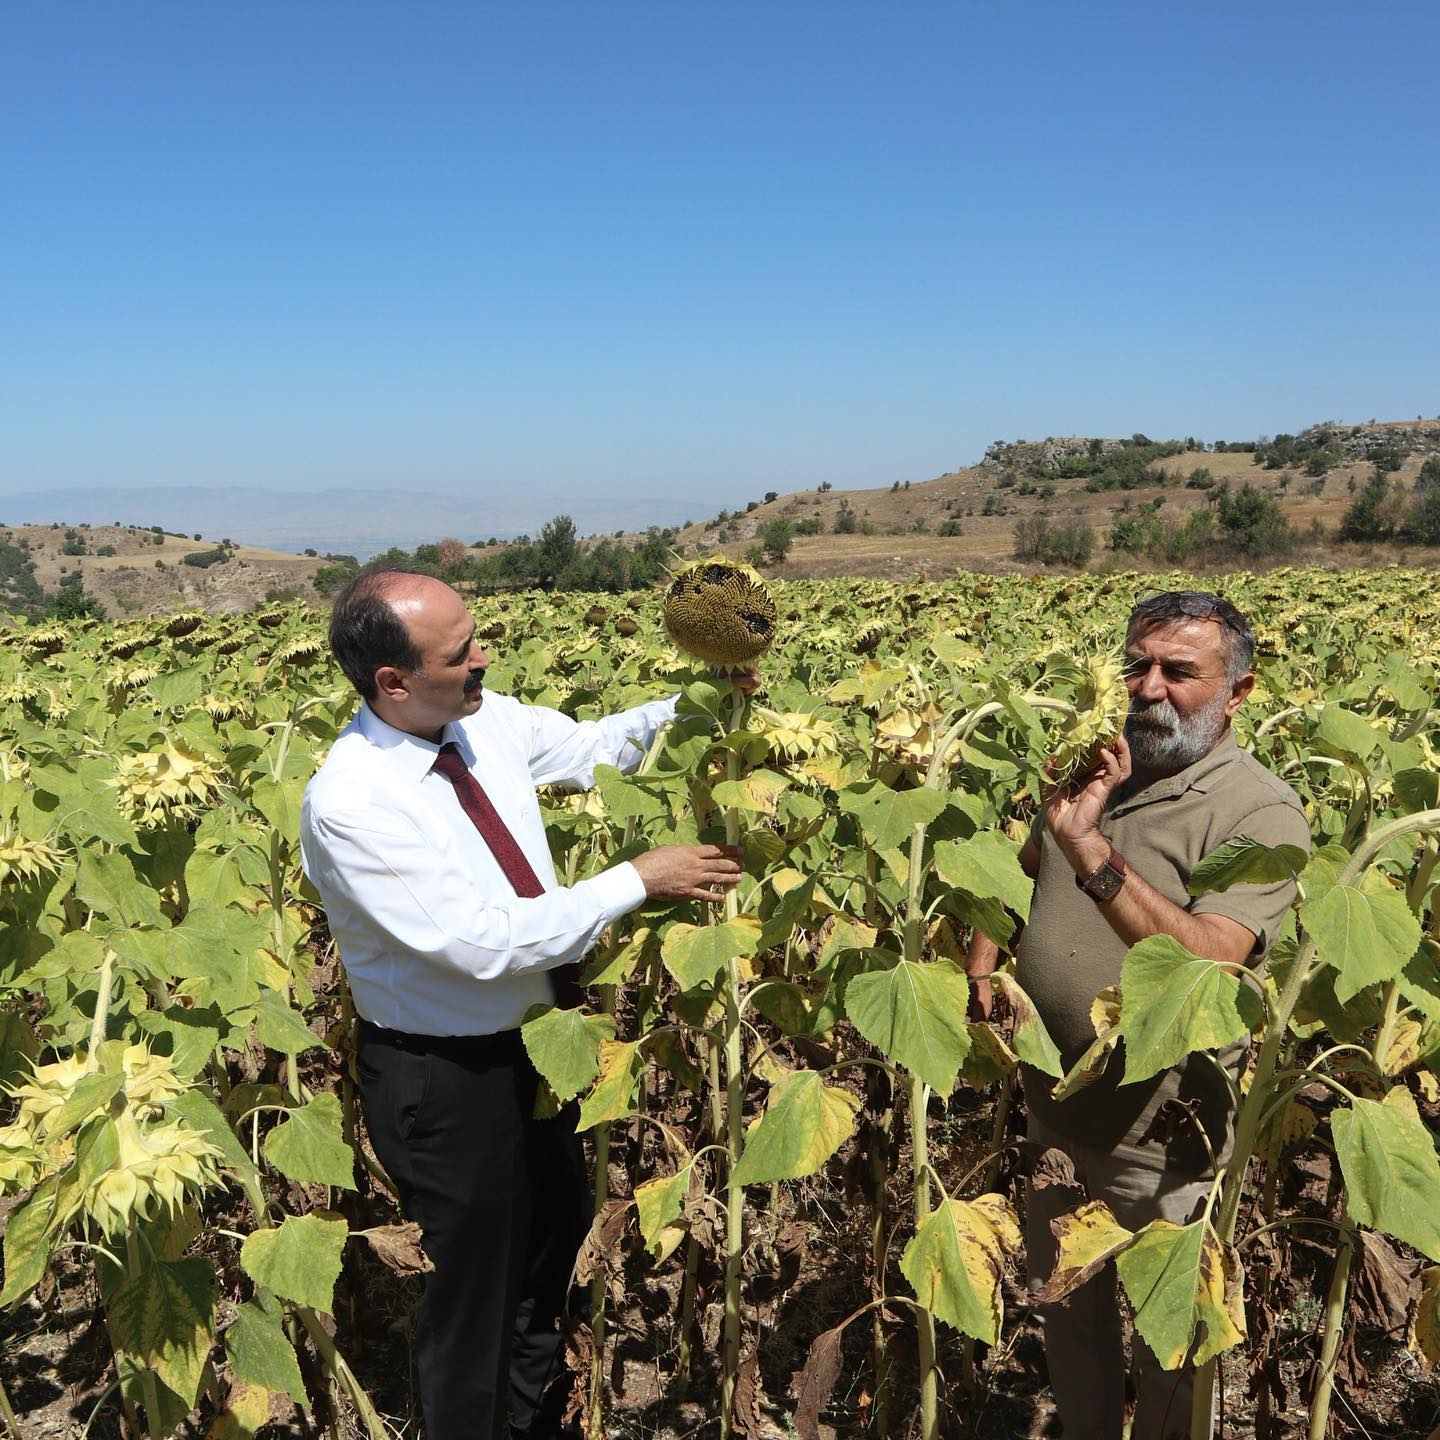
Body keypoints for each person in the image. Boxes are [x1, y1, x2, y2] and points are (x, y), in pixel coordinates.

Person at [300, 568, 753, 1440]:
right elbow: (479, 944)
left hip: (537, 1046)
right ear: (392, 681)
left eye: (476, 637)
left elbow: (592, 748)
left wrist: (697, 699)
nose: (483, 658)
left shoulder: (482, 721)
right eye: (460, 652)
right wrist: (636, 880)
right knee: (476, 1295)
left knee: (550, 1258)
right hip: (448, 1075)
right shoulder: (354, 801)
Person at [966, 590, 1310, 1440]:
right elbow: (1018, 869)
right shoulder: (1092, 766)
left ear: (1238, 690)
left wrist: (1093, 853)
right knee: (1070, 1325)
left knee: (1171, 1351)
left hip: (1160, 1135)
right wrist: (984, 956)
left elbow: (1211, 959)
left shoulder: (1256, 811)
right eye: (1139, 666)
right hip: (1053, 1109)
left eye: (1179, 672)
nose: (1149, 688)